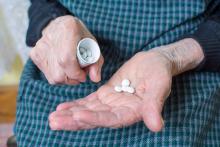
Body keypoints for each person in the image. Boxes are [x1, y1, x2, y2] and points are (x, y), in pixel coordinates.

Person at [15, 0, 220, 146]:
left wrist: (174, 56)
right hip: (72, 52)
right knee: (46, 131)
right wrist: (54, 23)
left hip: (186, 52)